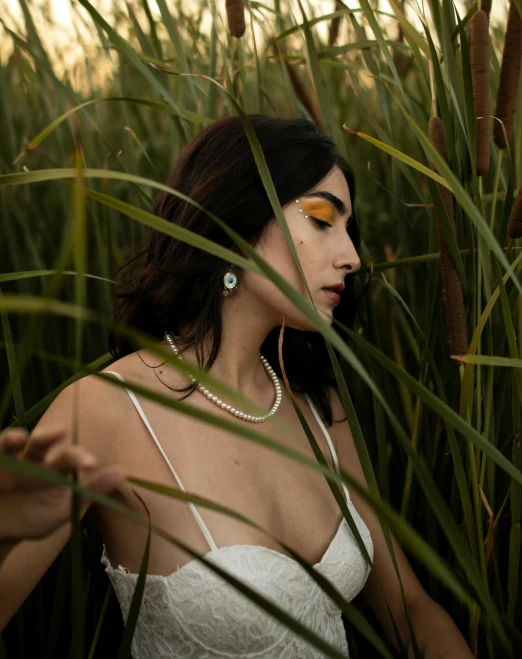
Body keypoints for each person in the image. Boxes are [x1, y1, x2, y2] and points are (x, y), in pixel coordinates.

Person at [0, 115, 472, 657]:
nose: (352, 257)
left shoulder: (320, 408)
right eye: (322, 220)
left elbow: (409, 609)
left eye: (350, 230)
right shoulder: (109, 409)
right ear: (236, 222)